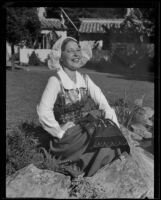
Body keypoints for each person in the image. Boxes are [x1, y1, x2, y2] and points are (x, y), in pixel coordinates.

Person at [37, 37, 127, 178]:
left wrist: (116, 132)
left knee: (105, 131)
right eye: (70, 51)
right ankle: (90, 177)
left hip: (82, 129)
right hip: (66, 139)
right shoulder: (56, 81)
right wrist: (59, 132)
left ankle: (101, 170)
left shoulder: (85, 79)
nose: (76, 54)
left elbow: (105, 105)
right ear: (60, 57)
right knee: (100, 141)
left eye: (78, 50)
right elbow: (43, 112)